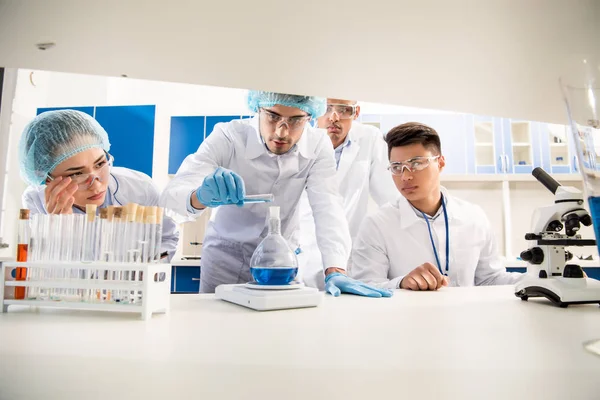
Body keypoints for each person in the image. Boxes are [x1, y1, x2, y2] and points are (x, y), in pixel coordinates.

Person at [160, 90, 392, 297]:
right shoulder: (229, 136)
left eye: (296, 120)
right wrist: (198, 197)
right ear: (258, 109)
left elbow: (328, 206)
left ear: (309, 117)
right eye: (273, 116)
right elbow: (172, 196)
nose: (282, 131)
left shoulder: (318, 144)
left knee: (278, 335)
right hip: (224, 260)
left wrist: (336, 269)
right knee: (218, 331)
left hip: (280, 262)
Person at [350, 122, 522, 290]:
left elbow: (490, 279)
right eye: (396, 167)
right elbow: (367, 287)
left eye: (416, 164)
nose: (405, 176)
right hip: (406, 318)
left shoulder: (474, 217)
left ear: (440, 163)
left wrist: (537, 280)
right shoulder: (377, 225)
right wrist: (401, 283)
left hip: (467, 317)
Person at [19, 109, 179, 258]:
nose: (96, 185)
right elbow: (44, 261)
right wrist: (60, 227)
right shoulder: (36, 200)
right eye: (77, 174)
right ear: (47, 178)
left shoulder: (139, 188)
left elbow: (166, 238)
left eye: (100, 163)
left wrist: (143, 274)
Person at [298, 99, 398, 289]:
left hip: (350, 256)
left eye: (344, 110)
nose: (334, 117)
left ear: (356, 112)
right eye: (327, 109)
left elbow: (391, 198)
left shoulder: (369, 138)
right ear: (314, 110)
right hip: (305, 252)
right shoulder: (299, 139)